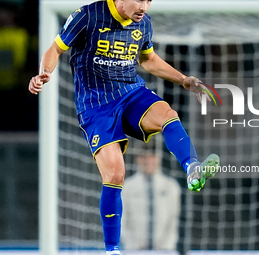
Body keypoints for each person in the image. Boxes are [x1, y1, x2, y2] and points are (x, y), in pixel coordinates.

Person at [28, 0, 220, 254]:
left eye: (149, 1)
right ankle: (112, 250)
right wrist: (44, 73)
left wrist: (183, 79)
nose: (144, 7)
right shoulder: (87, 16)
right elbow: (54, 49)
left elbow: (149, 60)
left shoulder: (144, 24)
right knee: (116, 174)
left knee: (167, 114)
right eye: (139, 0)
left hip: (130, 92)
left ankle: (192, 168)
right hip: (96, 106)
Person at [121, 143, 181, 251]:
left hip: (164, 250)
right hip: (134, 249)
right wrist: (132, 244)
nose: (147, 161)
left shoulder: (171, 186)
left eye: (151, 156)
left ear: (158, 158)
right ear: (137, 159)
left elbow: (173, 220)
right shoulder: (127, 187)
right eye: (143, 157)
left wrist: (166, 246)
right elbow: (123, 219)